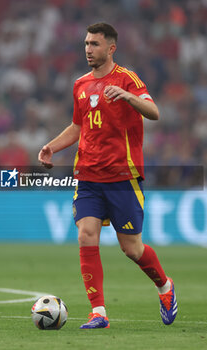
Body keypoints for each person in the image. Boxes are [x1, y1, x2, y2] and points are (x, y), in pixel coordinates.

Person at [38, 22, 178, 329]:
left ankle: (165, 287)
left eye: (95, 44)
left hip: (122, 176)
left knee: (132, 248)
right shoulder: (80, 84)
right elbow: (77, 126)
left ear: (111, 48)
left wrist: (128, 98)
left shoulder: (127, 79)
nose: (88, 49)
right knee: (86, 234)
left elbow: (154, 113)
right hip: (88, 174)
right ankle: (98, 312)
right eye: (86, 43)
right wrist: (52, 147)